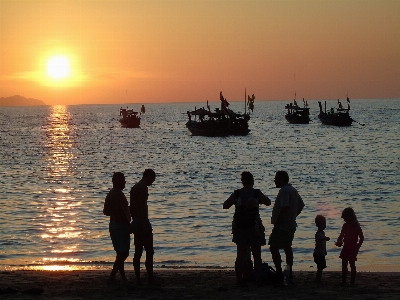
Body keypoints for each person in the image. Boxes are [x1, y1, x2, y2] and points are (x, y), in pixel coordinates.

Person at [223, 171, 271, 286]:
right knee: (257, 255)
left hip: (240, 227)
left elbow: (225, 205)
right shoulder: (256, 193)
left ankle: (239, 279)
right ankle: (258, 279)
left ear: (242, 181)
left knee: (240, 255)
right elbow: (268, 202)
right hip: (254, 227)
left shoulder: (237, 194)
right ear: (252, 181)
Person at [268, 171, 305, 285]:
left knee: (273, 247)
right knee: (287, 247)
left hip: (282, 226)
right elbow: (301, 205)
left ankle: (279, 271)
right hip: (291, 224)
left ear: (282, 179)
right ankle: (289, 272)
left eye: (276, 178)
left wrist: (278, 221)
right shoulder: (292, 189)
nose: (274, 180)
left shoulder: (284, 191)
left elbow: (284, 207)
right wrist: (293, 216)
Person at [130, 169, 156, 285]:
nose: (152, 183)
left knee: (138, 251)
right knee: (149, 250)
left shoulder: (134, 187)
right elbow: (143, 206)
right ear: (148, 177)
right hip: (141, 221)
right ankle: (150, 277)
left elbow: (132, 206)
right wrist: (145, 224)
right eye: (152, 180)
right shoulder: (143, 188)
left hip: (135, 221)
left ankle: (138, 277)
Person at [104, 172, 131, 285]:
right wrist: (128, 224)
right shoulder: (118, 194)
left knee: (120, 253)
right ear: (118, 181)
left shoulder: (111, 193)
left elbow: (105, 211)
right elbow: (121, 211)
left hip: (114, 225)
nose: (125, 182)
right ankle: (112, 277)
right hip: (120, 225)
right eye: (123, 180)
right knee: (124, 253)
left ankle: (123, 277)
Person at [335, 207, 364, 286]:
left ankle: (352, 282)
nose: (344, 220)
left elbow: (361, 238)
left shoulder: (356, 226)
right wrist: (339, 241)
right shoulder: (345, 226)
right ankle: (343, 281)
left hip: (353, 247)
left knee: (352, 264)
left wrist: (357, 247)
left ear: (350, 217)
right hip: (346, 247)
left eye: (345, 218)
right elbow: (341, 236)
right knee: (344, 264)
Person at [313, 215, 330, 284]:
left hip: (321, 253)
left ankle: (318, 279)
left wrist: (325, 251)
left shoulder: (322, 233)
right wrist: (325, 238)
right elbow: (319, 239)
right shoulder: (318, 233)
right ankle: (318, 280)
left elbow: (323, 244)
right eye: (322, 224)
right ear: (317, 225)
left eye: (324, 224)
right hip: (318, 253)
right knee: (320, 267)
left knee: (321, 267)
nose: (324, 225)